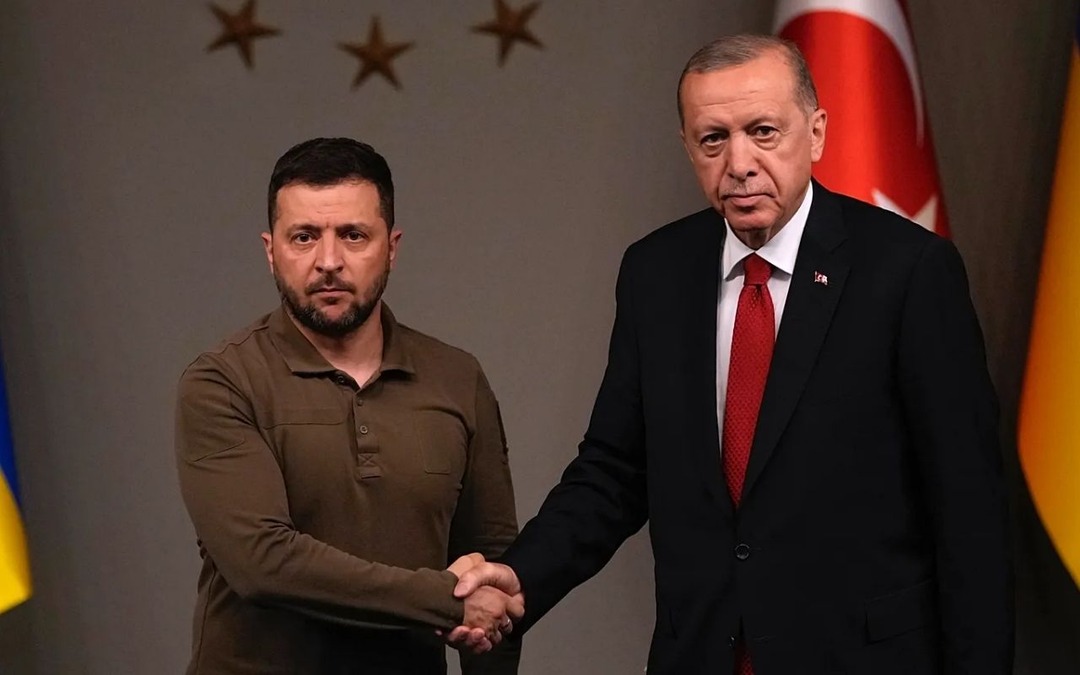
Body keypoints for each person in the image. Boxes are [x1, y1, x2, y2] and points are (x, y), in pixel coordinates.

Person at [451, 34, 1013, 674]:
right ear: (688, 147)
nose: (739, 162)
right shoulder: (655, 272)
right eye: (713, 139)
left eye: (763, 132)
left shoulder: (908, 271)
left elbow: (969, 509)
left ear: (817, 133)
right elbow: (614, 470)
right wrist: (522, 576)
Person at [174, 137, 523, 675]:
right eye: (304, 237)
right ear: (271, 251)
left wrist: (477, 614)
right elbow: (262, 563)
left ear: (392, 247)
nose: (329, 261)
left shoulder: (457, 378)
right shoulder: (221, 382)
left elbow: (494, 569)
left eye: (353, 235)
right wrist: (445, 600)